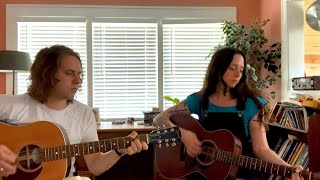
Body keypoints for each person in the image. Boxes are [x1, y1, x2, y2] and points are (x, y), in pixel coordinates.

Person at [153, 47, 303, 180]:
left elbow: (261, 149)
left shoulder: (250, 104)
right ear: (218, 69)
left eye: (241, 69)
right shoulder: (199, 100)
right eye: (232, 68)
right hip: (205, 173)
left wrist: (288, 168)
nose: (238, 74)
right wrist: (183, 134)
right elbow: (160, 118)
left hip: (240, 173)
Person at [0, 45, 148, 178]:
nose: (78, 80)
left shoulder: (84, 114)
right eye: (70, 73)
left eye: (79, 74)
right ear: (47, 74)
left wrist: (118, 151)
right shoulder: (15, 105)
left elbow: (95, 166)